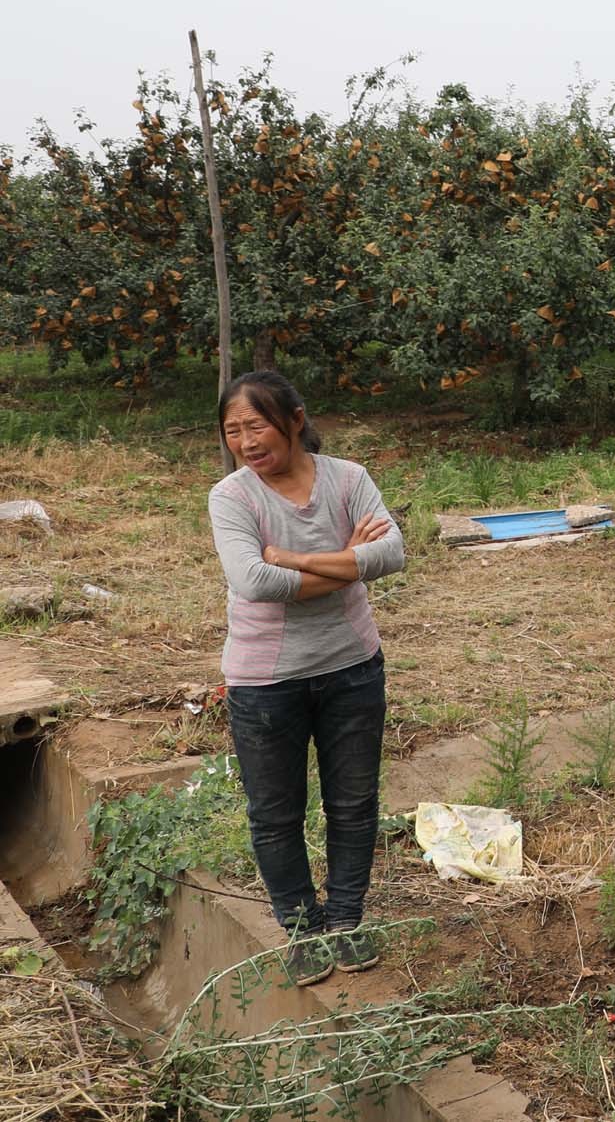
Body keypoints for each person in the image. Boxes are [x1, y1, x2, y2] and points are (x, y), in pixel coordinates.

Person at [208, 370, 404, 985]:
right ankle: (300, 930)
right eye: (233, 430)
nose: (245, 441)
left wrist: (291, 557)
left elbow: (392, 554)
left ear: (294, 418)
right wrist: (350, 562)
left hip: (352, 667)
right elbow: (253, 583)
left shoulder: (349, 478)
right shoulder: (232, 498)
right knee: (275, 813)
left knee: (353, 803)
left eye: (256, 425)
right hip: (266, 682)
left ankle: (345, 920)